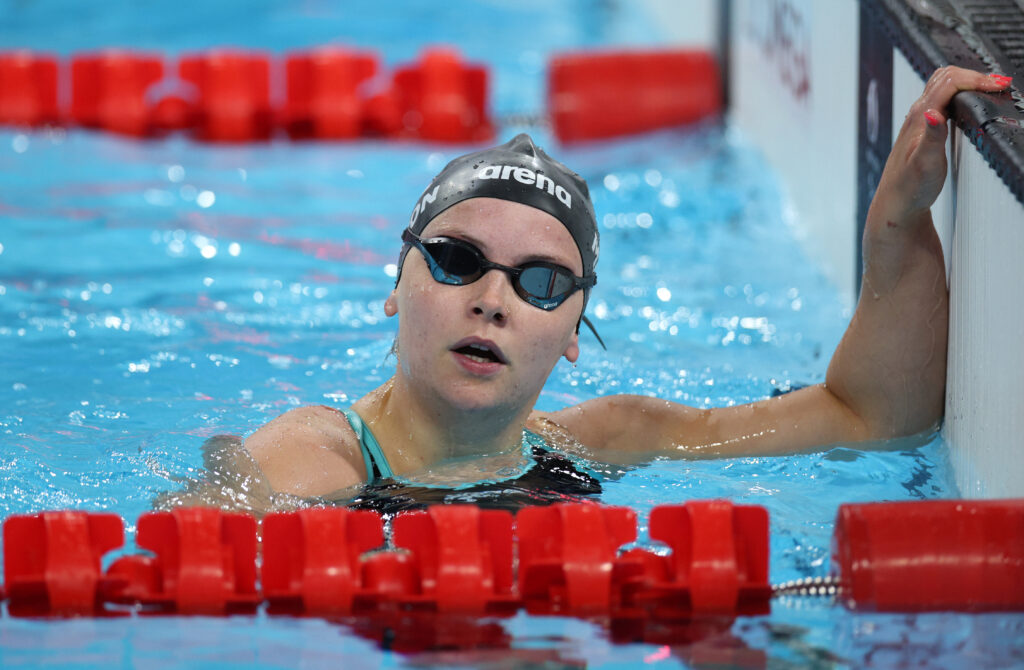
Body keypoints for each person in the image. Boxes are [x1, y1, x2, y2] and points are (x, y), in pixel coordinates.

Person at [164, 67, 1012, 513]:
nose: (493, 298)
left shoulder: (607, 438)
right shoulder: (308, 460)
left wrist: (895, 224)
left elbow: (875, 419)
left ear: (573, 328)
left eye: (539, 282)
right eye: (458, 260)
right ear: (398, 283)